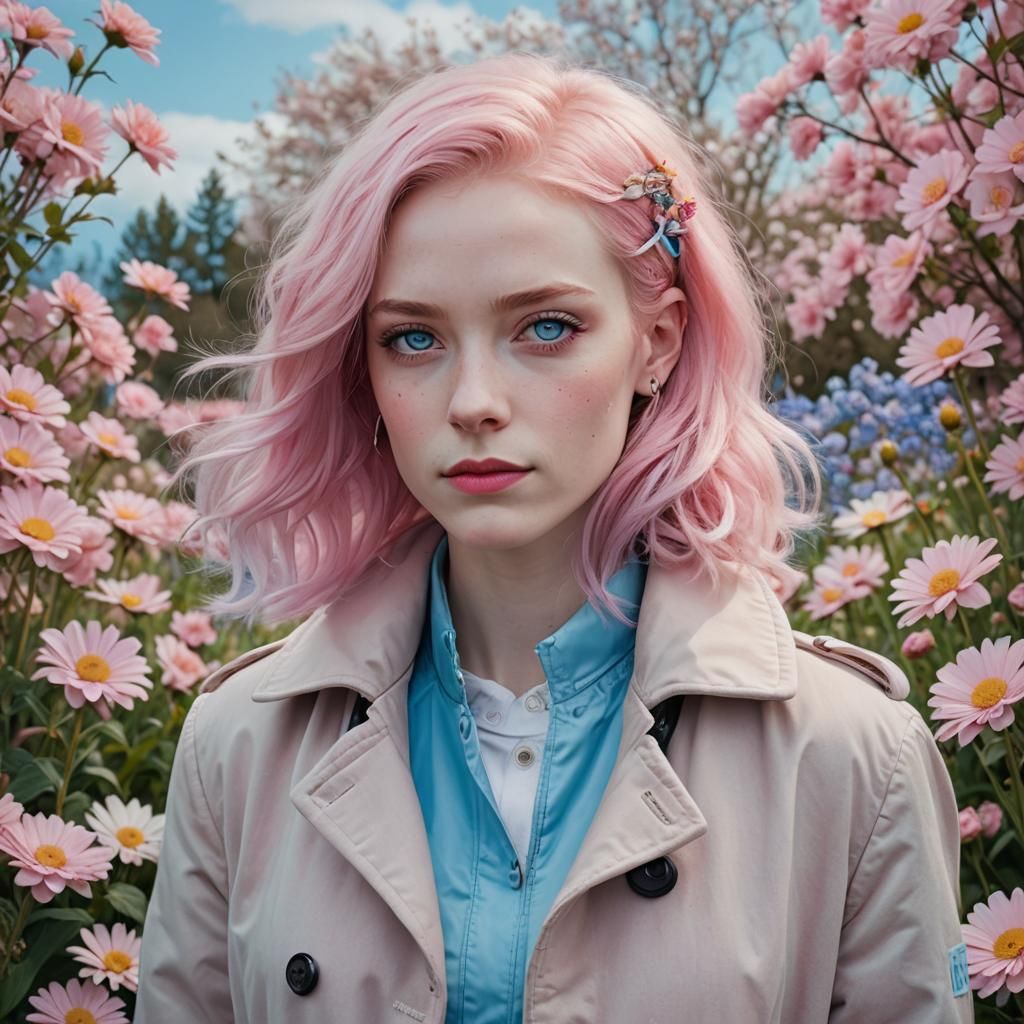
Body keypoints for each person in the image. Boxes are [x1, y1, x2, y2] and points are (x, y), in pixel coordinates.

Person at [133, 52, 972, 1024]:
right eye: (413, 338)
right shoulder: (239, 745)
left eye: (545, 327)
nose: (474, 402)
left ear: (656, 342)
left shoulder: (851, 756)